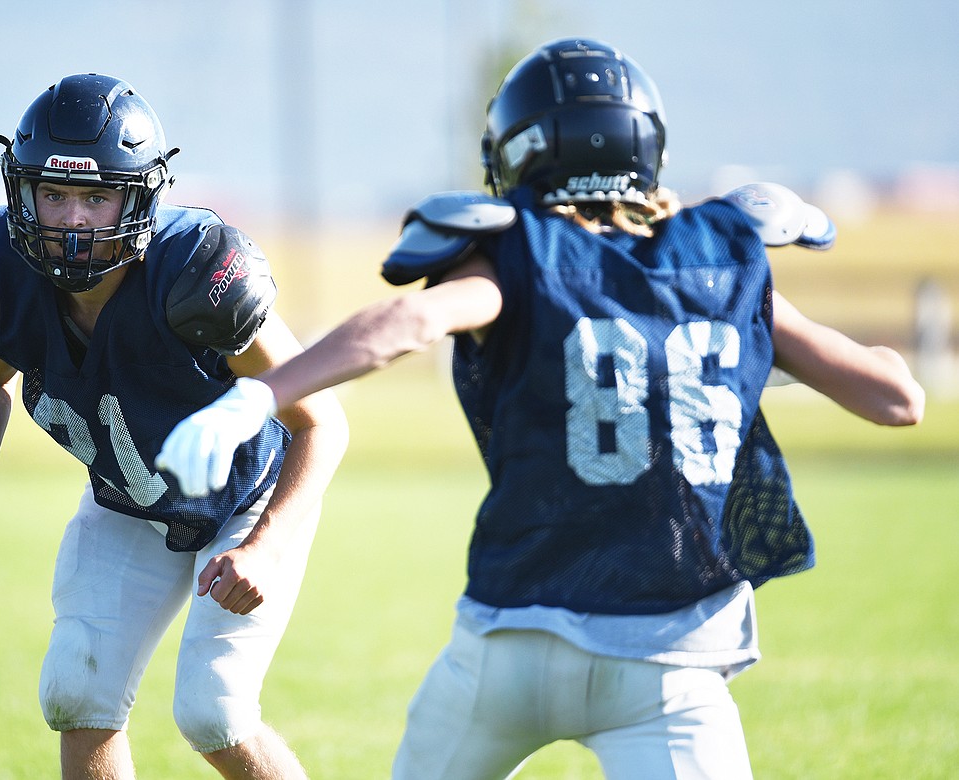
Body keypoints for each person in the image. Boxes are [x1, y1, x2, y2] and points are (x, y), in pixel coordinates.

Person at [155, 39, 925, 779]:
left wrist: (260, 393)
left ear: (516, 152)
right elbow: (897, 399)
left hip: (511, 643)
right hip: (671, 658)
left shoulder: (519, 256)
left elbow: (408, 323)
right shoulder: (720, 265)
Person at [0, 73, 347, 780]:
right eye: (53, 195)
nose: (73, 221)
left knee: (214, 710)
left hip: (246, 502)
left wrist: (268, 547)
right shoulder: (8, 273)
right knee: (77, 692)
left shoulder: (197, 276)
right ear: (21, 192)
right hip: (131, 501)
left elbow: (320, 421)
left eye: (97, 196)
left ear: (141, 195)